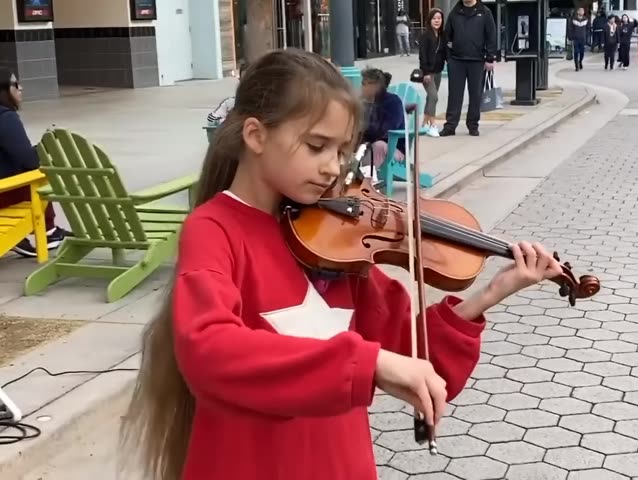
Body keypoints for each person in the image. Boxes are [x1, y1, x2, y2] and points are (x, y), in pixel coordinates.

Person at [119, 48, 563, 480]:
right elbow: (209, 350)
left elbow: (410, 353)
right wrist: (367, 364)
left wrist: (491, 293)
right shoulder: (214, 229)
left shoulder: (332, 242)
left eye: (342, 152)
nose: (333, 168)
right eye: (317, 147)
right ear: (255, 135)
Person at [0, 67, 71, 258]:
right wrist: (47, 144)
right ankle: (48, 231)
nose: (20, 88)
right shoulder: (5, 118)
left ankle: (38, 233)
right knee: (40, 174)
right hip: (4, 193)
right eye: (15, 84)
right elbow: (29, 160)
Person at [441, 0, 498, 137]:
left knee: (475, 95)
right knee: (454, 95)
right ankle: (450, 126)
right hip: (456, 61)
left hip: (477, 61)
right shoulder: (455, 13)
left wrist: (490, 58)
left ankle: (473, 125)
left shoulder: (484, 12)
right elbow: (447, 36)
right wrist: (449, 58)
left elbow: (491, 35)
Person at [359, 68, 405, 178]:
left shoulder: (393, 102)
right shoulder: (365, 103)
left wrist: (364, 128)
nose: (361, 88)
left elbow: (387, 129)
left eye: (364, 84)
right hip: (369, 146)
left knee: (378, 146)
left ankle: (368, 180)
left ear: (374, 85)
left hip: (393, 149)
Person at [419, 8, 446, 137]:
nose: (437, 21)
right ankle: (432, 125)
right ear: (429, 20)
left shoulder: (442, 36)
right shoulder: (425, 36)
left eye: (439, 18)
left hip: (438, 71)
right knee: (434, 97)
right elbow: (422, 56)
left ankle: (424, 124)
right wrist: (426, 73)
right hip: (428, 73)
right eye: (434, 18)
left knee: (430, 98)